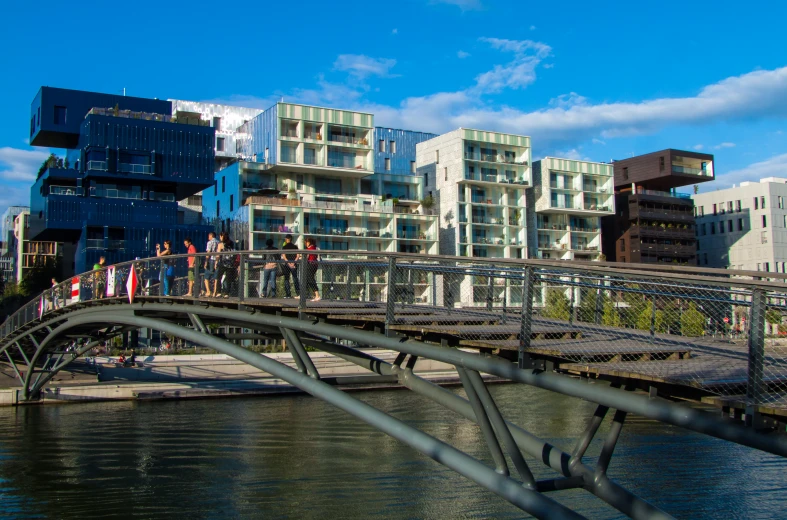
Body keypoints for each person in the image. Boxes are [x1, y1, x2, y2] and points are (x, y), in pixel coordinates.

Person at [203, 232, 219, 297]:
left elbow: (208, 252)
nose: (208, 237)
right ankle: (215, 292)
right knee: (216, 277)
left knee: (206, 277)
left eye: (208, 236)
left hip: (211, 260)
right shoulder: (218, 242)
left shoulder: (209, 242)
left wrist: (206, 261)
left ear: (211, 235)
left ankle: (208, 291)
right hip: (217, 260)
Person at [305, 237, 320, 302]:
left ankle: (317, 295)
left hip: (310, 264)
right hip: (315, 265)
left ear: (309, 242)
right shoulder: (315, 247)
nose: (306, 244)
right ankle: (313, 294)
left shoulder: (309, 248)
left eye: (306, 242)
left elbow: (307, 257)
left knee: (310, 279)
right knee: (308, 279)